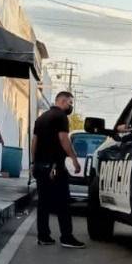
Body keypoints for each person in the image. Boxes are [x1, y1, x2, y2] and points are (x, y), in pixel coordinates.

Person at [31, 90, 85, 248]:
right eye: (70, 102)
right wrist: (74, 159)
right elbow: (63, 138)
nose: (71, 106)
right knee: (63, 202)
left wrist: (33, 163)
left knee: (43, 203)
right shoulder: (60, 117)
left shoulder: (41, 118)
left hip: (41, 165)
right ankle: (66, 237)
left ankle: (43, 236)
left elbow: (34, 141)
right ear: (61, 101)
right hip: (55, 166)